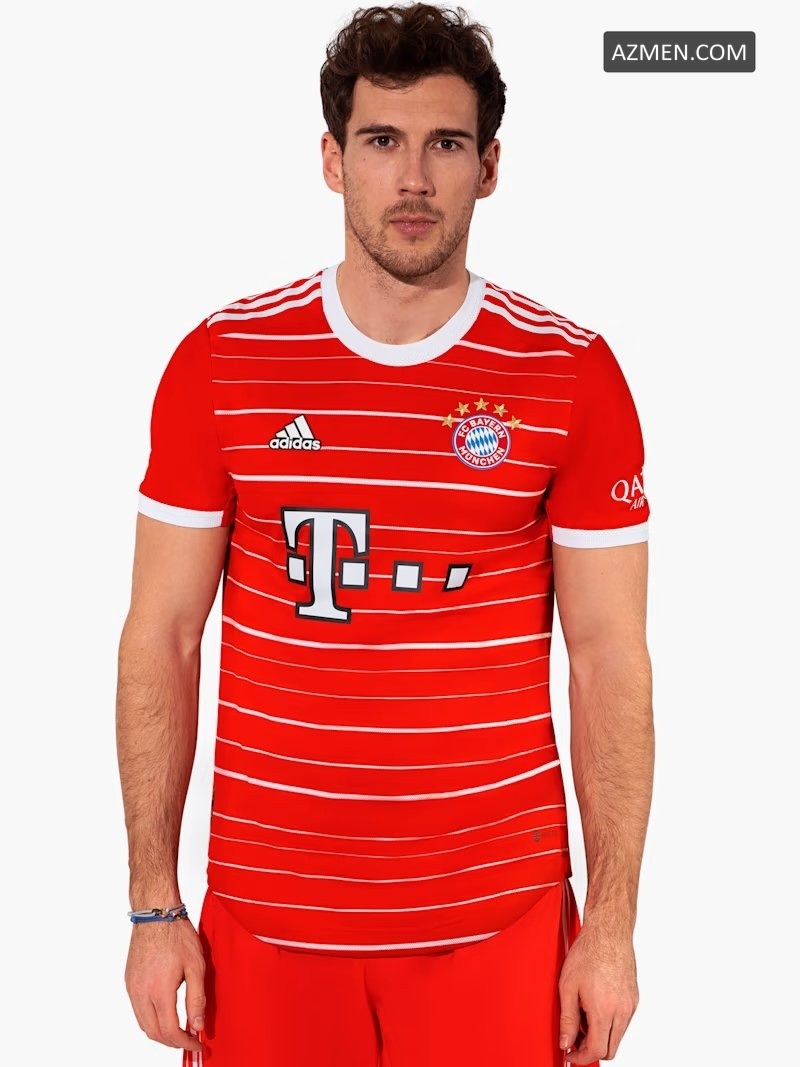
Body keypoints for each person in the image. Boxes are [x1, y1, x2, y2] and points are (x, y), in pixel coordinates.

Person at [116, 4, 654, 1065]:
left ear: (487, 167)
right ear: (332, 159)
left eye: (444, 143)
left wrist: (611, 926)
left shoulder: (569, 373)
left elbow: (607, 660)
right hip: (263, 925)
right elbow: (161, 636)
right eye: (380, 140)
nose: (412, 177)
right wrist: (152, 902)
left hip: (496, 926)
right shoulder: (222, 361)